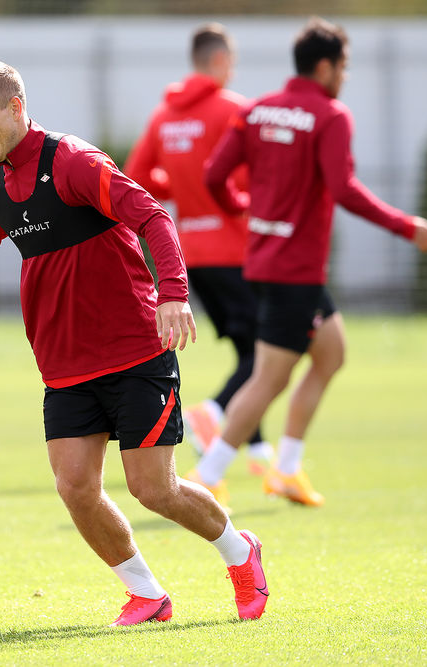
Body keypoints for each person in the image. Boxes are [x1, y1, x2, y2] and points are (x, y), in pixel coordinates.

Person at [0, 61, 268, 625]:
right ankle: (147, 595)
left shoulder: (74, 163)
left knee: (153, 489)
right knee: (75, 488)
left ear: (15, 107)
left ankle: (240, 551)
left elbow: (153, 217)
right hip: (63, 366)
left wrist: (174, 294)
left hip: (135, 352)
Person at [194, 17, 427, 507]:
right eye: (343, 67)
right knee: (269, 378)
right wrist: (406, 226)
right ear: (325, 67)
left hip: (266, 261)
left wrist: (242, 208)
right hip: (295, 272)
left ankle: (285, 469)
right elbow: (344, 189)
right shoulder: (330, 115)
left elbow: (214, 175)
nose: (345, 76)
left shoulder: (257, 110)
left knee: (331, 353)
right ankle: (207, 475)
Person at [124, 23, 273, 506]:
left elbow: (137, 176)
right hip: (236, 249)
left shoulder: (164, 115)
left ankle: (259, 449)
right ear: (220, 62)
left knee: (250, 349)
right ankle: (215, 411)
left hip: (190, 253)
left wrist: (180, 189)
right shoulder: (234, 110)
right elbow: (258, 175)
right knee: (270, 355)